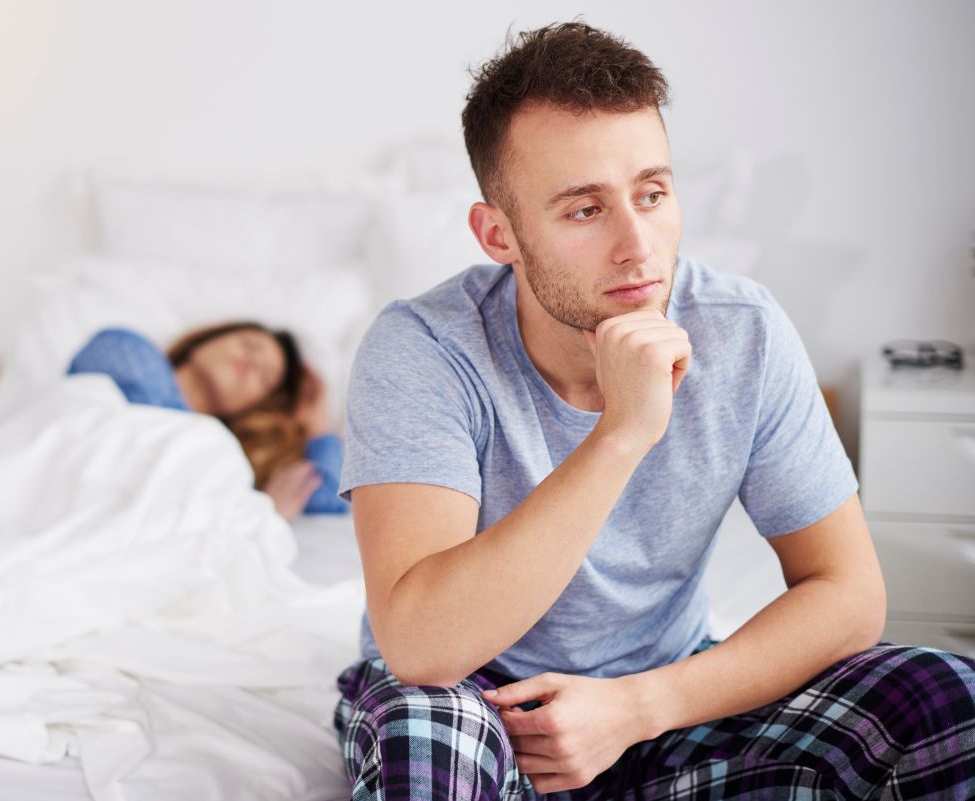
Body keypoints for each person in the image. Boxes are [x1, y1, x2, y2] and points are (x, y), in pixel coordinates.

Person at [332, 21, 974, 801]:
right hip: (478, 705)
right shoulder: (422, 348)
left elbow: (848, 594)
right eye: (584, 210)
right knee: (418, 735)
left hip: (665, 705)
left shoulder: (743, 330)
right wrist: (622, 433)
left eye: (652, 193)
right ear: (498, 233)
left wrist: (639, 707)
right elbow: (421, 646)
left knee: (946, 695)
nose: (638, 246)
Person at [67, 321, 348, 521]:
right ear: (204, 341)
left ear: (253, 408)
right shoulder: (124, 347)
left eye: (265, 378)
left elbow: (331, 499)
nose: (253, 363)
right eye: (249, 345)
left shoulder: (225, 458)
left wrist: (316, 424)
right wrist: (247, 510)